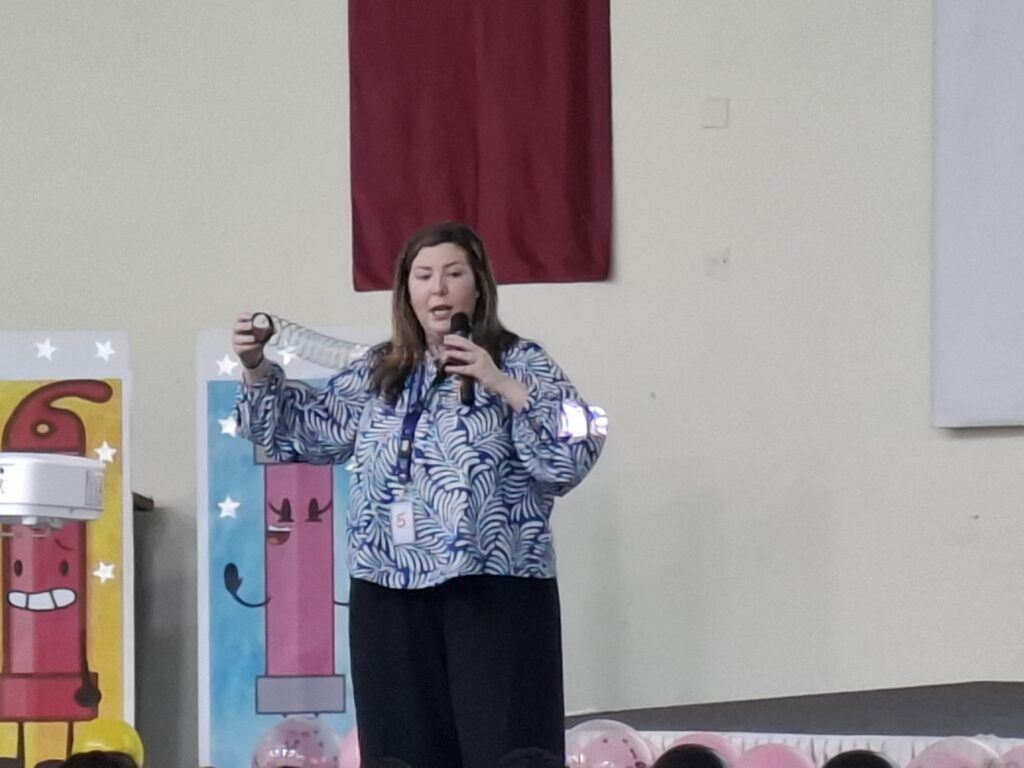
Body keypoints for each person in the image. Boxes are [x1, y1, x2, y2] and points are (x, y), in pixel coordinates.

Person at [233, 221, 606, 768]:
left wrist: (501, 383)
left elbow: (574, 450)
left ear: (478, 286)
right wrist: (256, 369)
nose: (439, 288)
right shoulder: (381, 368)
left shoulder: (523, 361)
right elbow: (299, 432)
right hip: (389, 589)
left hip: (494, 587)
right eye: (424, 276)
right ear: (406, 291)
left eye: (454, 274)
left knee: (505, 744)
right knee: (401, 750)